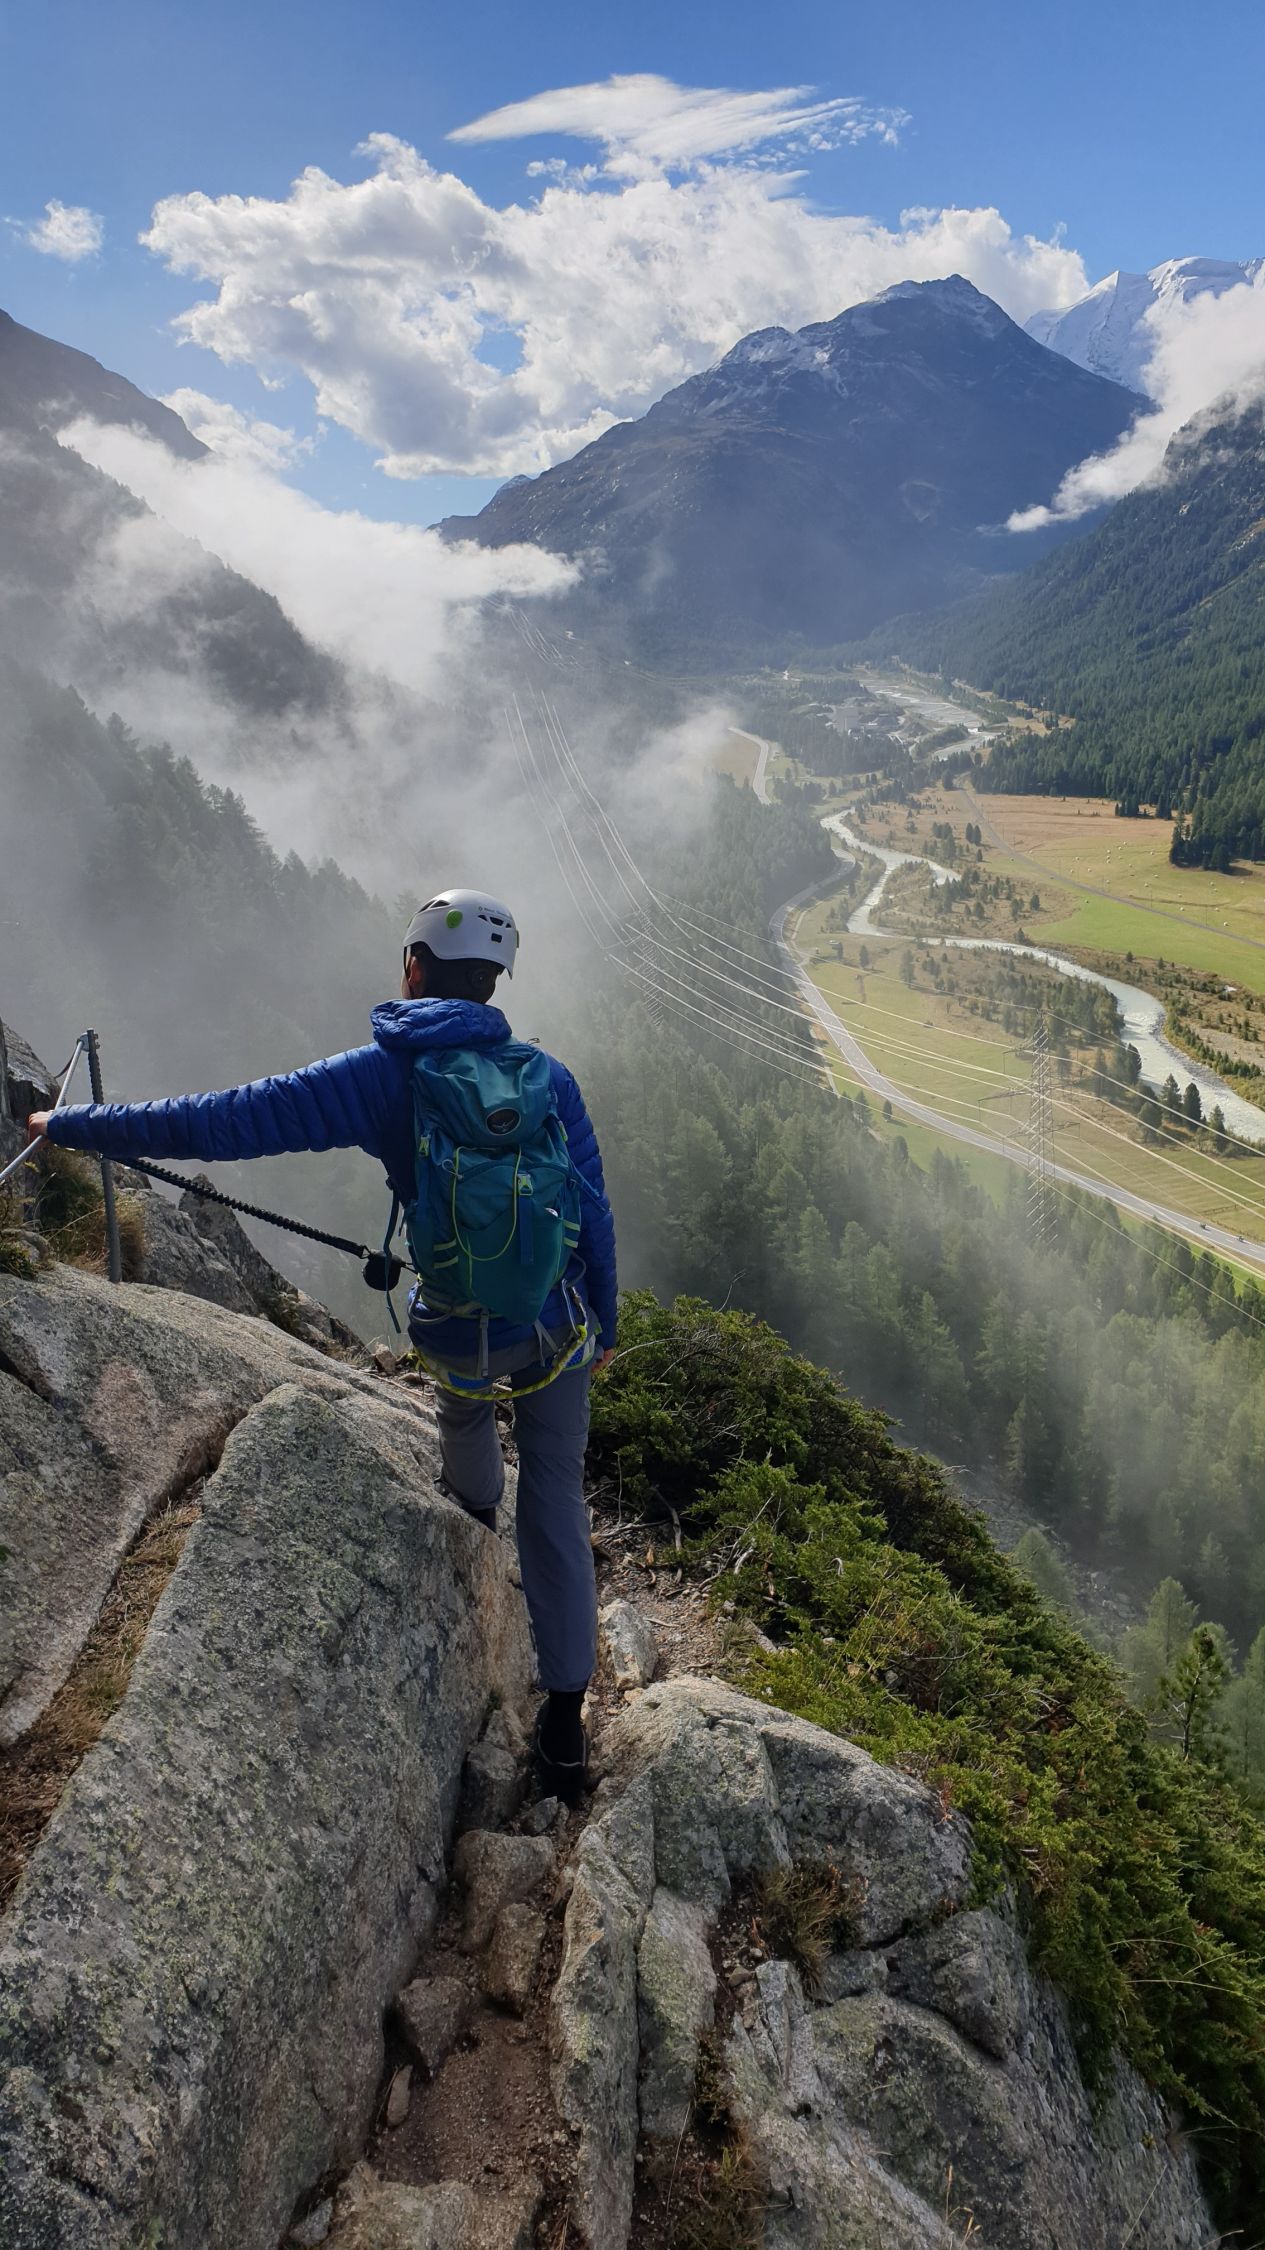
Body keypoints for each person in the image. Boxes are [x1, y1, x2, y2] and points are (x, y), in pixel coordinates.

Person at [28, 889, 617, 1798]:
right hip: (554, 1324)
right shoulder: (548, 1078)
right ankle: (566, 1726)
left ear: (413, 967)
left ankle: (471, 1522)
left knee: (465, 1411)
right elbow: (592, 1209)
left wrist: (71, 1126)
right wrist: (604, 1320)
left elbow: (221, 1120)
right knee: (557, 1492)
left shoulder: (381, 1077)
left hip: (461, 1331)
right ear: (494, 983)